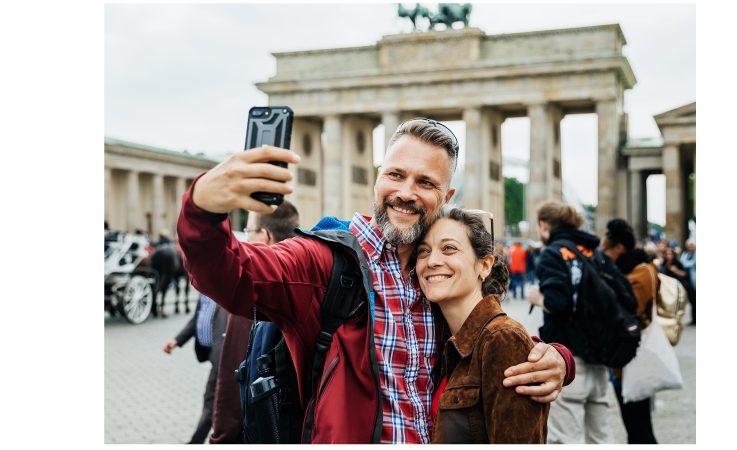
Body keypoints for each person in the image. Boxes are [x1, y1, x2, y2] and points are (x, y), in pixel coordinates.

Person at [177, 118, 575, 443]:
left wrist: (557, 357)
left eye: (425, 182)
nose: (405, 192)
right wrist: (203, 209)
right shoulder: (323, 263)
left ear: (447, 194)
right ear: (377, 178)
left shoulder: (434, 273)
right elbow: (235, 274)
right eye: (396, 175)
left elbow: (485, 336)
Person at [419, 207, 549, 443]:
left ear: (485, 265)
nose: (432, 261)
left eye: (449, 248)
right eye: (423, 251)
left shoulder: (501, 339)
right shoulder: (441, 340)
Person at [209, 202, 300, 444]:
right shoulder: (307, 280)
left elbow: (231, 376)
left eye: (249, 231)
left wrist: (221, 436)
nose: (246, 238)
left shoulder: (254, 291)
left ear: (265, 235)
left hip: (257, 428)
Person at [527, 200, 614, 444]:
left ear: (544, 226)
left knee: (565, 438)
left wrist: (538, 297)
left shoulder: (553, 253)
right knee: (601, 436)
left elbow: (558, 303)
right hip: (599, 354)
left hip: (569, 356)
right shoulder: (592, 250)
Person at [601, 218, 659, 444]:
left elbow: (625, 307)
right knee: (633, 424)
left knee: (639, 427)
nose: (604, 253)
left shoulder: (642, 271)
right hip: (622, 359)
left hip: (635, 357)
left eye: (607, 248)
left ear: (619, 248)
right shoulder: (627, 269)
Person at [162, 292, 228, 444]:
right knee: (215, 401)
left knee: (211, 400)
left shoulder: (224, 290)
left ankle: (196, 442)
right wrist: (177, 340)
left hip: (223, 357)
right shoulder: (204, 290)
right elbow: (197, 318)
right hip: (211, 354)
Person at [679, 239, 696, 325]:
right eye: (689, 246)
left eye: (692, 246)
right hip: (688, 281)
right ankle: (694, 319)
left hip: (695, 279)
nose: (691, 248)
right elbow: (682, 264)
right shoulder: (685, 255)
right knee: (692, 300)